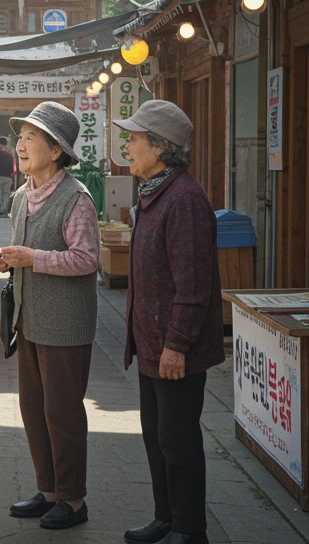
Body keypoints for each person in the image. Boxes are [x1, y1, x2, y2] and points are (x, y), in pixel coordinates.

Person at [113, 100, 223, 544]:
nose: (128, 145)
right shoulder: (155, 192)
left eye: (135, 138)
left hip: (174, 348)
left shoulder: (184, 199)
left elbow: (193, 284)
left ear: (160, 148)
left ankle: (190, 529)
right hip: (151, 343)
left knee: (178, 443)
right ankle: (166, 517)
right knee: (157, 439)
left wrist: (177, 344)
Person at [0, 102, 100, 531]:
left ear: (56, 151)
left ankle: (73, 499)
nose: (20, 145)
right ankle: (49, 490)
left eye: (31, 138)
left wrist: (33, 258)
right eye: (20, 138)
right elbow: (26, 255)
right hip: (28, 318)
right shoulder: (21, 195)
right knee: (34, 408)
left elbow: (87, 259)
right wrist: (7, 261)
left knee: (63, 412)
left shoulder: (76, 197)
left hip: (66, 323)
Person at [0, 135, 16, 216]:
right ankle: (4, 210)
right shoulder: (10, 154)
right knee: (6, 193)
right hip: (8, 176)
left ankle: (0, 208)